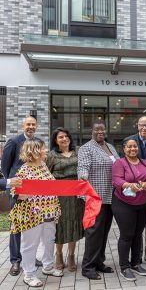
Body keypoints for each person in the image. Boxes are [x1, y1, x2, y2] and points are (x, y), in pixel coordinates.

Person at [8, 139, 62, 287]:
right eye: (43, 149)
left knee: (48, 240)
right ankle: (29, 274)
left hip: (49, 211)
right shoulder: (24, 170)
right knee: (30, 244)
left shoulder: (43, 166)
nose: (45, 151)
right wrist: (20, 194)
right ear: (35, 151)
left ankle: (48, 267)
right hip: (32, 214)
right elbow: (14, 192)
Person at [78, 120, 119, 280]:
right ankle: (87, 267)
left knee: (103, 232)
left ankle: (99, 262)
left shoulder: (111, 147)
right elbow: (83, 167)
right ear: (92, 131)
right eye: (97, 129)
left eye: (102, 129)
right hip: (95, 197)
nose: (100, 132)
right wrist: (83, 176)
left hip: (110, 196)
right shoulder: (86, 148)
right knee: (94, 233)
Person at [112, 138, 146, 281]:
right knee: (127, 235)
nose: (132, 149)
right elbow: (116, 180)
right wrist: (128, 185)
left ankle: (136, 263)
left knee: (138, 234)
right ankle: (124, 267)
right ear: (124, 149)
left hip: (142, 204)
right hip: (124, 204)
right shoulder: (120, 163)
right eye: (129, 147)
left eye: (135, 146)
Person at [1, 115, 39, 276]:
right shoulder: (14, 141)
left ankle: (30, 257)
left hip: (34, 191)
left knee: (33, 224)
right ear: (23, 126)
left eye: (33, 124)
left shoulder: (37, 141)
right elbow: (5, 166)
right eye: (28, 124)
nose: (31, 126)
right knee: (16, 225)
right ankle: (15, 260)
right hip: (17, 190)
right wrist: (10, 183)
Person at [46, 127, 84, 272]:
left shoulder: (78, 152)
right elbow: (47, 176)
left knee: (74, 223)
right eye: (60, 137)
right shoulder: (51, 155)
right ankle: (59, 255)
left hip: (76, 196)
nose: (64, 139)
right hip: (59, 197)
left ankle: (71, 256)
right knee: (60, 225)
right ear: (55, 140)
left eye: (66, 136)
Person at [124, 115, 146, 267]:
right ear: (137, 125)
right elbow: (123, 164)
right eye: (141, 125)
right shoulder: (129, 141)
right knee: (134, 227)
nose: (144, 128)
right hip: (132, 191)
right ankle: (135, 257)